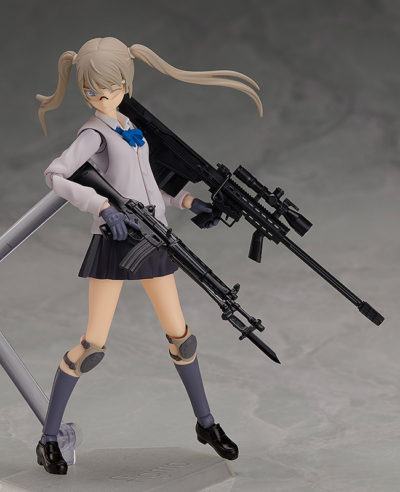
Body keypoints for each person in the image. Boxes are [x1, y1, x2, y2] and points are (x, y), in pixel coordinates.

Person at [35, 36, 263, 475]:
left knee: (182, 337)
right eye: (92, 90)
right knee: (92, 345)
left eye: (111, 87)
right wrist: (101, 207)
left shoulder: (130, 128)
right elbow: (56, 174)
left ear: (126, 84)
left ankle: (206, 423)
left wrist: (186, 202)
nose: (102, 97)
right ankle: (48, 439)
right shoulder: (93, 132)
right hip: (116, 239)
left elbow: (143, 188)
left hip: (153, 237)